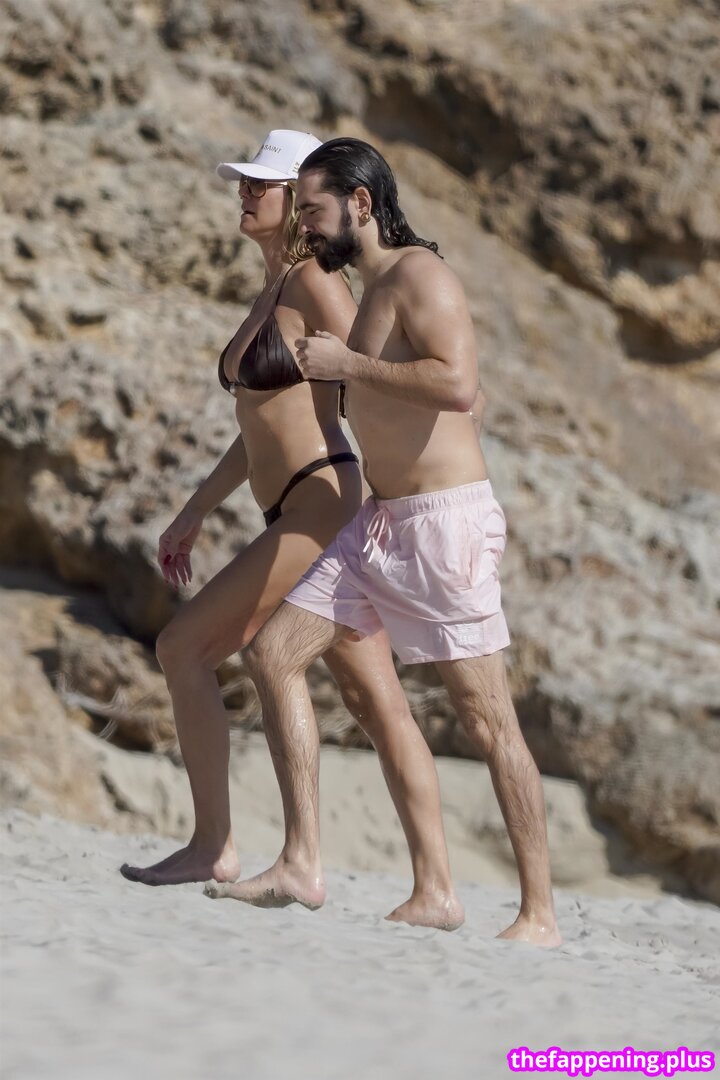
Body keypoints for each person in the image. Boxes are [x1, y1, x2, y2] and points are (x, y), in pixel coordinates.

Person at [209, 137, 561, 948]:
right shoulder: (369, 292)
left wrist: (350, 367)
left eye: (315, 209)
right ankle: (304, 862)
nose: (305, 223)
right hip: (379, 526)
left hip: (442, 524)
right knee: (272, 655)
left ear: (360, 204)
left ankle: (539, 914)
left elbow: (459, 385)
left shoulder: (419, 276)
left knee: (487, 720)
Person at [120, 129, 464, 931]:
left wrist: (408, 497)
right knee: (375, 701)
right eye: (242, 183)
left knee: (185, 647)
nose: (244, 195)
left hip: (324, 500)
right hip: (295, 504)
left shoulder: (315, 282)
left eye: (260, 186)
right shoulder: (272, 290)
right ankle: (437, 890)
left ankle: (224, 847)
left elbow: (370, 376)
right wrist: (195, 510)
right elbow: (261, 424)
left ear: (299, 203)